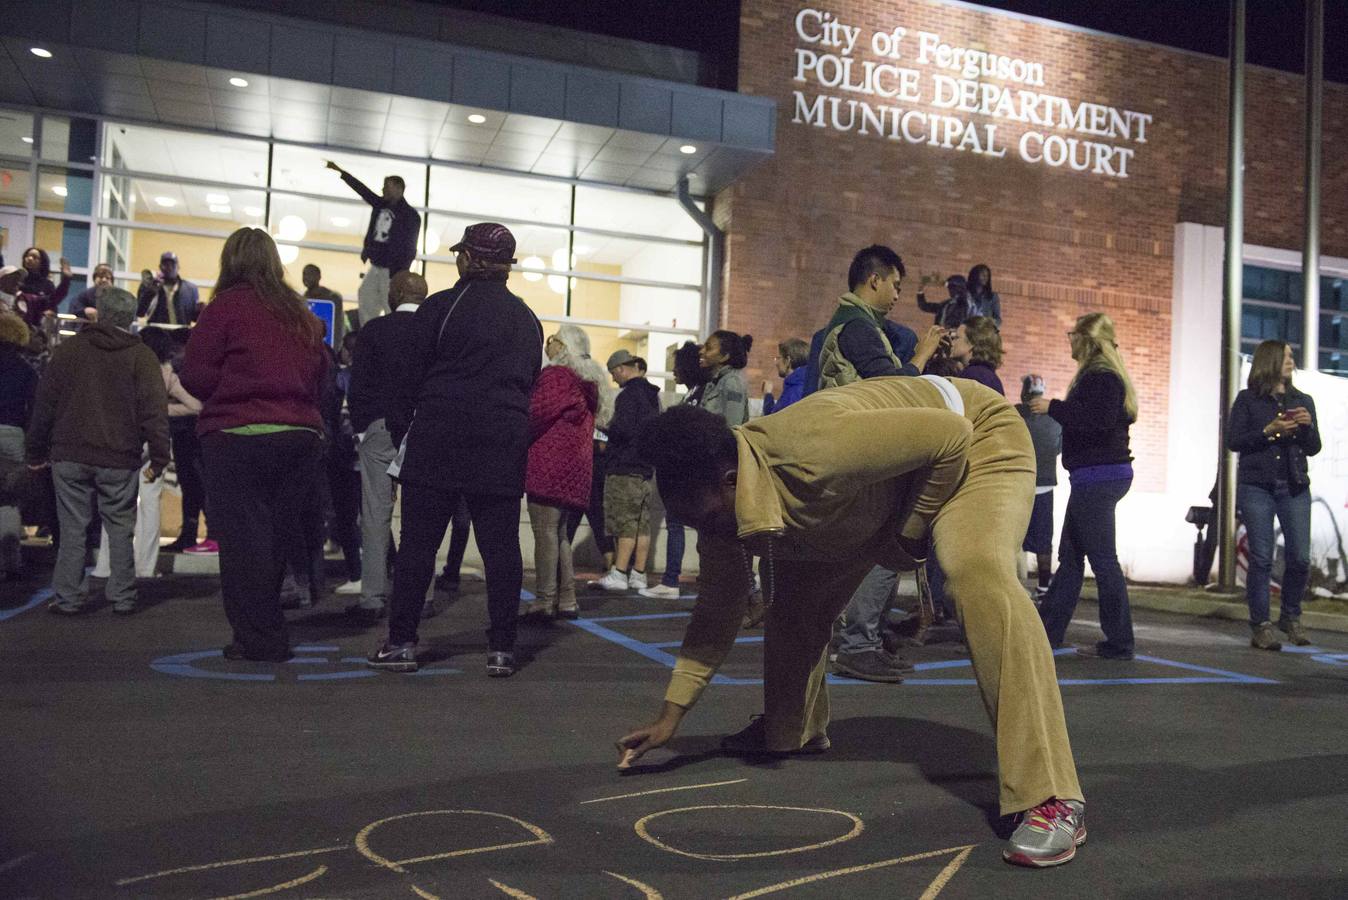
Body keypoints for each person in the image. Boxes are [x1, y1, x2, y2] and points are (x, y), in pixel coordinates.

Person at [616, 378, 1086, 868]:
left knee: (974, 571)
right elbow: (717, 610)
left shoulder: (813, 449)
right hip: (878, 494)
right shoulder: (721, 505)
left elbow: (952, 435)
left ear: (731, 478)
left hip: (975, 440)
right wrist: (672, 716)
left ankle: (1050, 794)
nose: (707, 535)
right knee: (794, 608)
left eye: (709, 521)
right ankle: (792, 728)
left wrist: (909, 533)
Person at [367, 222, 542, 679]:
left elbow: (407, 380)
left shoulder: (441, 308)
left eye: (461, 253)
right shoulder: (527, 318)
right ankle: (502, 649)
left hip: (439, 440)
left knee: (418, 548)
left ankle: (402, 642)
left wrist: (406, 430)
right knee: (501, 549)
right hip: (502, 444)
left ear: (471, 259)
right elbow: (529, 384)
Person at [181, 228, 328, 662]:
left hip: (236, 435)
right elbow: (320, 375)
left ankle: (258, 638)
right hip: (299, 437)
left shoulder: (224, 308)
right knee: (276, 539)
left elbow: (196, 376)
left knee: (243, 543)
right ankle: (267, 629)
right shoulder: (300, 314)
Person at [817, 245, 944, 682]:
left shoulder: (852, 324)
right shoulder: (856, 325)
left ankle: (865, 640)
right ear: (874, 279)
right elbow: (891, 388)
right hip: (867, 452)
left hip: (859, 450)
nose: (896, 296)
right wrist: (922, 356)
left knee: (877, 550)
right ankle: (859, 644)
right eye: (895, 285)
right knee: (883, 551)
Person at [26, 288, 169, 615]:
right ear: (131, 318)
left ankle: (69, 598)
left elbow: (45, 405)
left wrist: (35, 452)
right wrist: (159, 458)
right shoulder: (141, 356)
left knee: (73, 528)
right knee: (120, 528)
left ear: (99, 314)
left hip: (70, 453)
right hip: (119, 456)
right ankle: (123, 596)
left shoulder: (70, 349)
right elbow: (154, 413)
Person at [1032, 313, 1138, 660]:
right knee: (1072, 558)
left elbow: (1097, 422)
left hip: (1099, 476)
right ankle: (1046, 633)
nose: (1069, 339)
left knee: (1103, 560)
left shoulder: (1102, 378)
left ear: (1087, 340)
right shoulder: (1099, 376)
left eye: (1073, 334)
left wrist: (1054, 408)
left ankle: (1119, 641)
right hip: (1096, 476)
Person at [345, 270, 428, 626]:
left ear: (394, 294)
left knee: (376, 515)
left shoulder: (374, 331)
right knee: (420, 519)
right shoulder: (433, 331)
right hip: (424, 431)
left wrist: (361, 430)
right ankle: (419, 597)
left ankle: (372, 597)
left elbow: (358, 382)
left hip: (378, 428)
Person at [1225, 340, 1320, 650]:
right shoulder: (1248, 400)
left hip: (1293, 486)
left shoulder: (1302, 400)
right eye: (1287, 356)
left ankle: (1291, 617)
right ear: (1271, 361)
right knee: (1262, 558)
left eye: (1292, 356)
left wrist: (1305, 428)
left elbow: (1313, 447)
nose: (1292, 361)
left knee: (1300, 557)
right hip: (1258, 487)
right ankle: (1261, 625)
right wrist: (1269, 430)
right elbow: (1234, 440)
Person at [91, 327, 197, 580]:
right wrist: (163, 411)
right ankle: (146, 567)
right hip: (155, 443)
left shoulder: (126, 368)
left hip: (123, 441)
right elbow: (195, 406)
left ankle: (106, 566)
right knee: (150, 505)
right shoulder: (167, 373)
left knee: (115, 503)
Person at [521, 325, 601, 620]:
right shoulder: (586, 381)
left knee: (545, 534)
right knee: (560, 535)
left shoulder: (557, 377)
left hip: (549, 465)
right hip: (574, 469)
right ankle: (566, 599)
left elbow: (534, 415)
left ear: (563, 347)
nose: (548, 344)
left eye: (553, 340)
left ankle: (544, 600)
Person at [639, 341, 705, 600]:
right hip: (685, 469)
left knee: (681, 524)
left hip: (691, 471)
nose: (674, 372)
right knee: (678, 523)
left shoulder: (700, 393)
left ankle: (672, 580)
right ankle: (672, 579)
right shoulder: (692, 393)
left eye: (677, 367)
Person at [326, 161, 421, 328]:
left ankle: (390, 334)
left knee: (389, 302)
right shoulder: (380, 204)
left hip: (392, 269)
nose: (383, 190)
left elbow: (410, 246)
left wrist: (401, 271)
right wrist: (342, 172)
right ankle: (369, 331)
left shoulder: (410, 216)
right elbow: (362, 189)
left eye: (387, 187)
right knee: (366, 296)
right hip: (376, 265)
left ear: (399, 189)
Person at [163, 329, 214, 554]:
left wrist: (165, 408)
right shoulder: (184, 369)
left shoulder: (192, 370)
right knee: (190, 487)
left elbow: (196, 405)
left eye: (177, 348)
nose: (174, 354)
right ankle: (189, 534)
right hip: (185, 435)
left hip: (194, 436)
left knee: (200, 486)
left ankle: (212, 534)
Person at [1017, 375, 1062, 600]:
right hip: (1045, 485)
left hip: (1018, 483)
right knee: (1044, 541)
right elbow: (1058, 447)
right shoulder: (1054, 419)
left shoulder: (1016, 414)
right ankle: (1044, 587)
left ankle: (1013, 585)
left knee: (1014, 537)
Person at [0, 313, 37, 581]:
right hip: (13, 433)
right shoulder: (25, 369)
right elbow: (34, 410)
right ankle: (11, 561)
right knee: (10, 501)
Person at [698, 331, 753, 426]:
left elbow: (732, 427)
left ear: (724, 357)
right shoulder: (716, 381)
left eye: (708, 348)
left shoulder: (732, 382)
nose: (701, 351)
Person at [136, 252, 201, 326]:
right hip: (156, 334)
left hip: (181, 335)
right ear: (160, 267)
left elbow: (194, 318)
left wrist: (201, 311)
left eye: (172, 265)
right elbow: (140, 313)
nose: (169, 267)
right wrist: (150, 292)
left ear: (178, 267)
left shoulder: (191, 289)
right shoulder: (150, 286)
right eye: (166, 264)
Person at [13, 248, 71, 327]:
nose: (29, 258)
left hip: (35, 326)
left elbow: (53, 301)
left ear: (42, 262)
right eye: (27, 256)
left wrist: (66, 280)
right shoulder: (17, 280)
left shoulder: (47, 284)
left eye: (35, 257)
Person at [950, 315, 1005, 395]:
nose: (951, 342)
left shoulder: (972, 376)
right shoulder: (987, 375)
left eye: (956, 338)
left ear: (972, 342)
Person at [761, 337, 809, 415]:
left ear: (788, 360)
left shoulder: (794, 391)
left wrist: (768, 395)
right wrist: (768, 394)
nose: (776, 363)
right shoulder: (803, 385)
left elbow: (772, 420)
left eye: (778, 358)